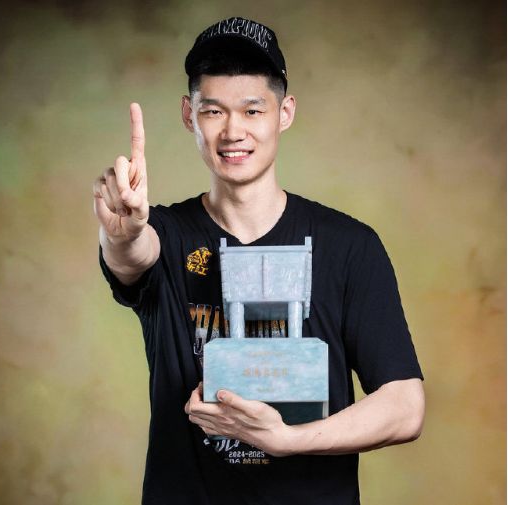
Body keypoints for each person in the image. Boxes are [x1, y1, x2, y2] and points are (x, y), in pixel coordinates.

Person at [93, 16, 425, 505]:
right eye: (213, 111)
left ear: (284, 113)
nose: (233, 132)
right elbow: (133, 257)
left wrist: (287, 439)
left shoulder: (349, 246)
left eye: (252, 110)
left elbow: (405, 407)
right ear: (189, 115)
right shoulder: (164, 233)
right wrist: (122, 234)